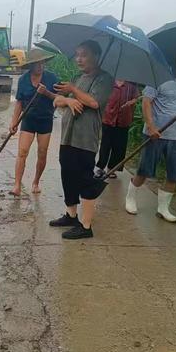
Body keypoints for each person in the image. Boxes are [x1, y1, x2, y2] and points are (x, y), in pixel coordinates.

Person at [125, 44, 176, 222]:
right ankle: (130, 197)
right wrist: (151, 127)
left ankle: (163, 208)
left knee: (175, 174)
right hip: (156, 134)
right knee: (145, 170)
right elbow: (146, 101)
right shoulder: (160, 75)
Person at [49, 40, 114, 239]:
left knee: (84, 178)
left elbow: (94, 102)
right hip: (68, 136)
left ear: (96, 56)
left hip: (86, 138)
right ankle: (71, 215)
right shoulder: (77, 77)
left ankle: (86, 226)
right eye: (77, 54)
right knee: (67, 175)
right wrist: (67, 99)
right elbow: (56, 100)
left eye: (84, 54)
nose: (79, 58)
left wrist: (73, 90)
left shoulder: (104, 79)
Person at [9, 48, 58, 196]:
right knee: (22, 152)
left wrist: (47, 93)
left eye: (42, 63)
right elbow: (19, 102)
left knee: (42, 153)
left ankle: (36, 181)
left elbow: (60, 98)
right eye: (37, 64)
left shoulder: (52, 78)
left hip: (45, 120)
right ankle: (17, 185)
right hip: (28, 120)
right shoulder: (23, 80)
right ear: (31, 65)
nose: (40, 66)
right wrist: (14, 122)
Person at [94, 81, 139, 178]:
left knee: (118, 146)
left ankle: (111, 169)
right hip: (108, 117)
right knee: (105, 144)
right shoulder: (109, 82)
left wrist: (132, 102)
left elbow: (136, 98)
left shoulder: (131, 85)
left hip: (124, 119)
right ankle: (100, 168)